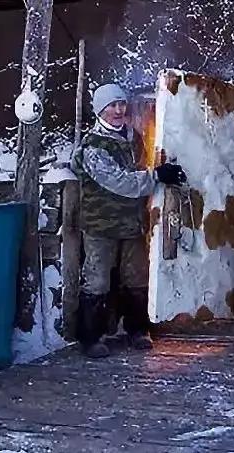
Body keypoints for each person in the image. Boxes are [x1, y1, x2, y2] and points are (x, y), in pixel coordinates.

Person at [72, 83, 186, 358]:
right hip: (101, 225)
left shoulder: (133, 137)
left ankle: (137, 330)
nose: (118, 110)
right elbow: (120, 182)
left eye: (121, 104)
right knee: (97, 280)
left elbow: (140, 167)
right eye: (112, 106)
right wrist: (157, 175)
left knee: (136, 277)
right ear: (100, 110)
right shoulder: (93, 147)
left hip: (132, 222)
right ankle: (91, 337)